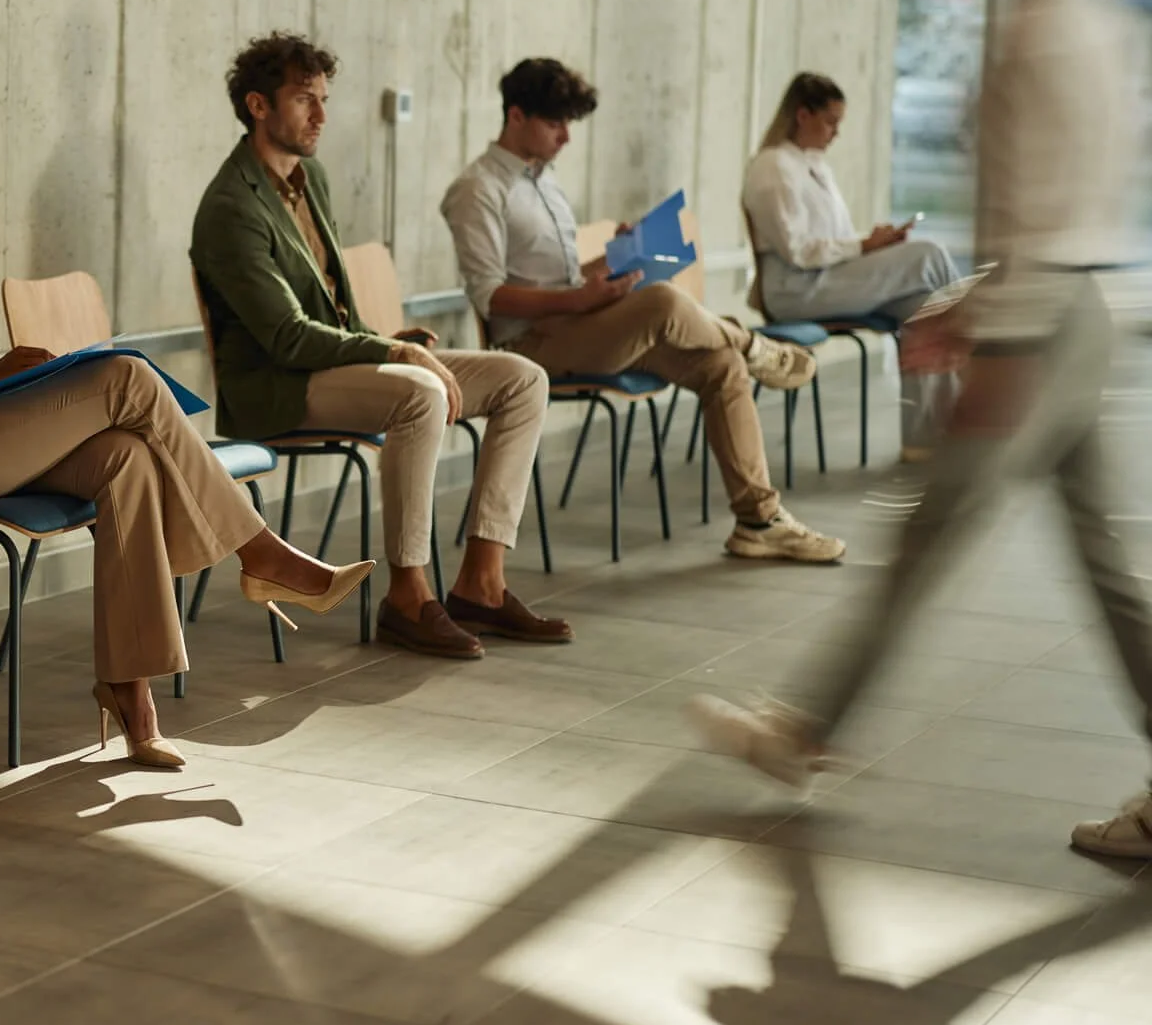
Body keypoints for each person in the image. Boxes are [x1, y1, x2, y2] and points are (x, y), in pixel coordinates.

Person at [693, 0, 1152, 861]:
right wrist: (975, 310)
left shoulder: (1040, 34)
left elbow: (1037, 210)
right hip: (1076, 314)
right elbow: (1063, 208)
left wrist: (997, 338)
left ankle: (803, 731)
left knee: (925, 538)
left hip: (1039, 332)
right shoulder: (1102, 25)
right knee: (1100, 562)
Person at [0, 60, 369, 768]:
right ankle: (260, 553)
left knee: (125, 459)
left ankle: (131, 692)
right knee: (124, 375)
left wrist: (3, 382)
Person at [191, 33, 565, 661]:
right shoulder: (231, 206)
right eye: (305, 99)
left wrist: (386, 343)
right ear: (258, 105)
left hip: (334, 364)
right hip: (278, 386)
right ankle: (410, 596)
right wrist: (393, 355)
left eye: (325, 99)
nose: (321, 115)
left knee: (523, 378)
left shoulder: (310, 179)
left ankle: (481, 581)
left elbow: (332, 306)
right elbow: (284, 335)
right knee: (418, 394)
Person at [442, 57, 846, 564]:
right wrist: (579, 299)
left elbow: (558, 275)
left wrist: (613, 258)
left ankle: (758, 520)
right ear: (516, 116)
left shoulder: (544, 181)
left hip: (582, 327)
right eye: (554, 123)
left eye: (570, 123)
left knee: (719, 367)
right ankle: (753, 343)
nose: (566, 136)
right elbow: (490, 295)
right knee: (661, 303)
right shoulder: (478, 189)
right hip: (530, 348)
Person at [742, 71, 960, 458]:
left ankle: (926, 442)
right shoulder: (771, 167)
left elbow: (836, 240)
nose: (835, 133)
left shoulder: (817, 166)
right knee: (930, 255)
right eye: (830, 122)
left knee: (926, 307)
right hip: (796, 290)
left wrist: (873, 245)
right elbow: (797, 250)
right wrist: (862, 244)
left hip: (829, 280)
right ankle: (986, 361)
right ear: (802, 115)